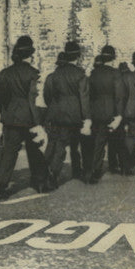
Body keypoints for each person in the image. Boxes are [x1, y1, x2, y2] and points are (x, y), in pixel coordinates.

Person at [0, 36, 47, 195]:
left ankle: (2, 185)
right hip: (29, 119)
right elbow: (33, 98)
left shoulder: (5, 73)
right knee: (34, 152)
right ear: (30, 55)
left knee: (8, 153)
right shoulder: (33, 73)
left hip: (11, 118)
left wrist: (5, 112)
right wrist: (38, 122)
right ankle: (40, 183)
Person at [42, 42, 91, 189]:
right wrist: (87, 117)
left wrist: (54, 108)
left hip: (56, 113)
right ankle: (54, 173)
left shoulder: (54, 75)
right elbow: (84, 97)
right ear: (78, 56)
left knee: (56, 142)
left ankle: (47, 170)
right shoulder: (80, 74)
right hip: (74, 114)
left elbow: (47, 95)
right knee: (69, 144)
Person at [85, 45, 126, 183]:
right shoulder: (116, 73)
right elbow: (119, 95)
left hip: (97, 112)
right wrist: (119, 114)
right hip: (112, 111)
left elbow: (90, 95)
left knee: (99, 142)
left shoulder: (94, 73)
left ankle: (95, 170)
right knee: (119, 140)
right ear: (113, 58)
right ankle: (123, 167)